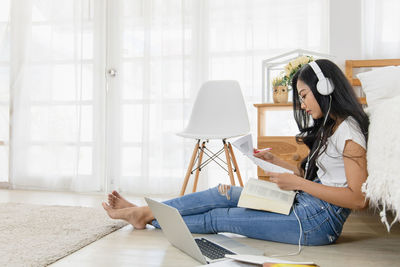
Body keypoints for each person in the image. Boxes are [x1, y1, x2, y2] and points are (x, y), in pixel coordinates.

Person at [103, 59, 369, 246]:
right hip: (305, 206)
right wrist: (278, 162)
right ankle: (145, 212)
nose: (302, 104)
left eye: (303, 95)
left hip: (316, 223)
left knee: (219, 218)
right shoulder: (332, 126)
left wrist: (299, 184)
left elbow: (358, 199)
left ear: (325, 89)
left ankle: (144, 216)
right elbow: (325, 174)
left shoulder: (350, 134)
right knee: (224, 192)